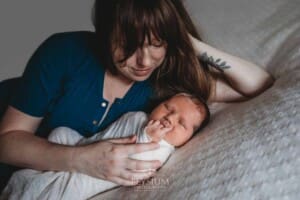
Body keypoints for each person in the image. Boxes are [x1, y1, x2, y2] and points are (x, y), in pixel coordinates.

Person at [0, 0, 274, 191]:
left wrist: (185, 40)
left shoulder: (165, 81)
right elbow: (7, 142)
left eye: (157, 44)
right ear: (105, 33)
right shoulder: (63, 53)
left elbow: (259, 84)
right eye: (129, 45)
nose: (144, 60)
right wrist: (83, 160)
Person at [1, 93, 210, 200]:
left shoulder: (162, 147)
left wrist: (147, 137)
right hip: (85, 145)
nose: (170, 118)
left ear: (188, 139)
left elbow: (138, 164)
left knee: (51, 191)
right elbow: (106, 135)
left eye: (181, 124)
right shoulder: (139, 116)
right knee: (60, 132)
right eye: (168, 107)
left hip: (93, 176)